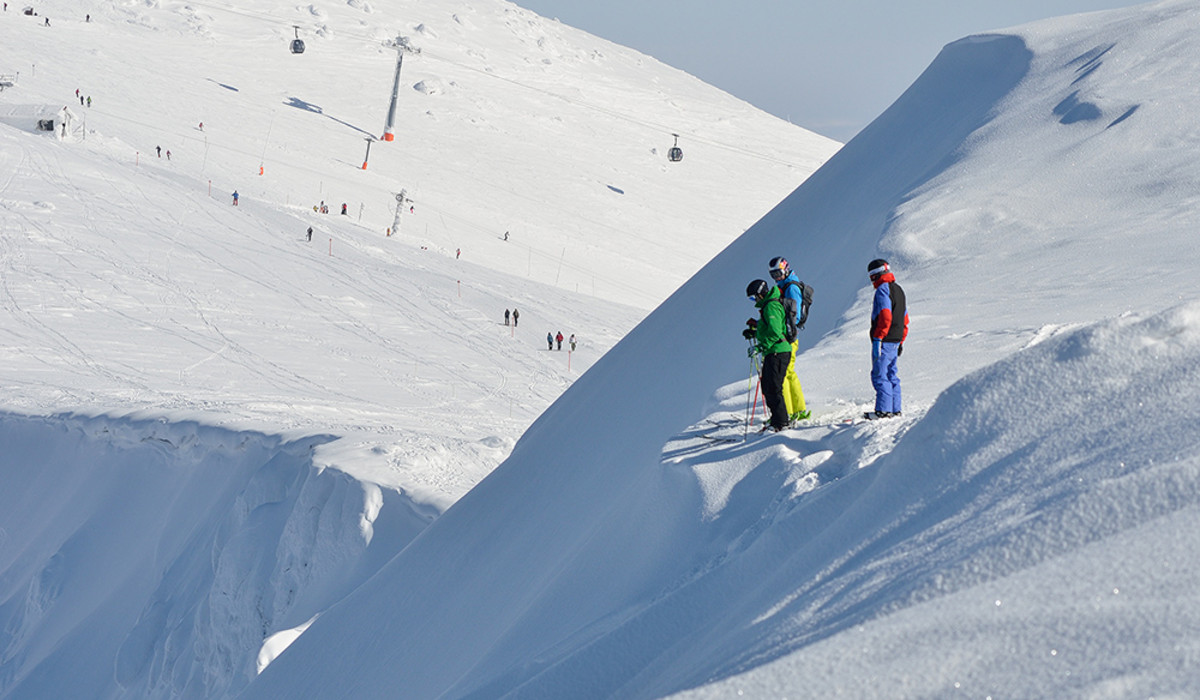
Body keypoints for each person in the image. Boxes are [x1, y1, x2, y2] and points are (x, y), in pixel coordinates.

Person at [768, 256, 811, 422]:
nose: (776, 277)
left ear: (785, 269)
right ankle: (798, 410)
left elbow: (795, 314)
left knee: (783, 374)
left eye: (778, 273)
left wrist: (785, 329)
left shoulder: (791, 288)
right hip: (790, 335)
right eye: (773, 275)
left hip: (788, 336)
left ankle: (787, 412)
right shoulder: (785, 285)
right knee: (789, 372)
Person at [746, 279, 792, 432]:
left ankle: (782, 423)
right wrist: (755, 330)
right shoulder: (767, 306)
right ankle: (777, 419)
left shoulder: (771, 306)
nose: (754, 301)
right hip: (773, 351)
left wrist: (761, 346)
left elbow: (774, 331)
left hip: (778, 350)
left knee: (773, 387)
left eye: (753, 297)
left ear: (760, 294)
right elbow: (767, 327)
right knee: (767, 385)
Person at [865, 258, 908, 419]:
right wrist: (901, 340)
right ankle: (895, 409)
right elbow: (905, 318)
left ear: (877, 275)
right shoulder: (898, 289)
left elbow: (885, 315)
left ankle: (883, 411)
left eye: (871, 277)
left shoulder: (883, 290)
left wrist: (878, 338)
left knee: (880, 375)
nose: (872, 281)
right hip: (896, 339)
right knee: (891, 374)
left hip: (884, 340)